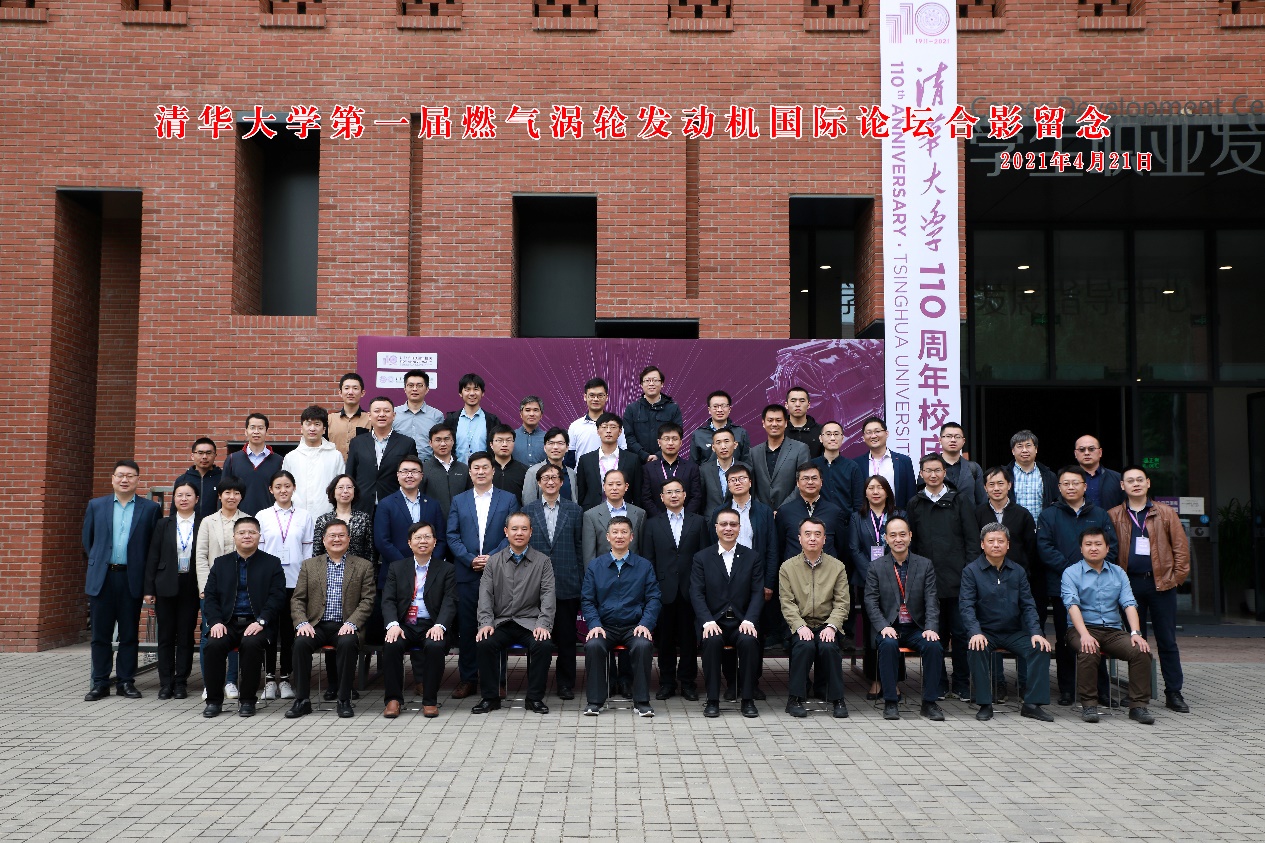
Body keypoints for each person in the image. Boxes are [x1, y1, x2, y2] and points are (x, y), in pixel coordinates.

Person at [1108, 465, 1191, 713]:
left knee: (1167, 640)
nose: (1135, 484)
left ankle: (1173, 692)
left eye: (1139, 480)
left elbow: (1181, 550)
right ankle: (1138, 692)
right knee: (1136, 641)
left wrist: (1175, 579)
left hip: (1161, 585)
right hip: (1130, 585)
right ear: (1122, 486)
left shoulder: (1165, 513)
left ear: (1148, 483)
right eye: (1130, 480)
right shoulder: (1114, 515)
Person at [1037, 465, 1119, 706]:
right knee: (1065, 639)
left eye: (1075, 483)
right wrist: (1073, 572)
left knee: (1096, 636)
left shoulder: (1099, 514)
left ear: (1085, 486)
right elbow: (1044, 548)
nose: (1070, 487)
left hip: (1096, 587)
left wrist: (1090, 571)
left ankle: (1101, 690)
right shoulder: (1049, 515)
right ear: (1059, 487)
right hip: (1062, 587)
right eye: (1066, 484)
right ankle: (1067, 689)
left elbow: (1111, 547)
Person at [82, 459, 162, 701]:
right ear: (113, 478)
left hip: (131, 578)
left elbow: (153, 547)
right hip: (103, 577)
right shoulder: (96, 505)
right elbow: (88, 542)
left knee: (129, 634)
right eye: (120, 475)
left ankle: (126, 681)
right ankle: (100, 683)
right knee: (100, 635)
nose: (124, 480)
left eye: (130, 476)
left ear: (138, 480)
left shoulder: (150, 509)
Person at [959, 523, 1054, 722]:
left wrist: (1036, 632)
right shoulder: (971, 571)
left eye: (1000, 541)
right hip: (985, 632)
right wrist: (975, 632)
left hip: (1013, 632)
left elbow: (1028, 605)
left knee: (1040, 648)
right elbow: (966, 606)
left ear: (1008, 545)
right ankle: (985, 704)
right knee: (976, 647)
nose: (996, 545)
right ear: (982, 544)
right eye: (991, 541)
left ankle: (1031, 704)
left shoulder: (1017, 571)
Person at [1061, 527, 1155, 724]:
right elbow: (1072, 605)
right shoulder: (1071, 573)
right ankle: (1089, 705)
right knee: (1088, 650)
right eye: (1088, 544)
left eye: (1098, 544)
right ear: (1081, 548)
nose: (1093, 548)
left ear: (1107, 548)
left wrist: (1135, 633)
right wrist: (1085, 634)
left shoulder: (1118, 572)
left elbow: (1129, 604)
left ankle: (1138, 706)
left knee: (1141, 651)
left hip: (1113, 631)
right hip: (1081, 629)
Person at [905, 452, 979, 700]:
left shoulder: (959, 500)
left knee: (960, 634)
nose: (933, 475)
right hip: (928, 581)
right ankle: (938, 683)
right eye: (928, 470)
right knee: (934, 634)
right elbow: (913, 543)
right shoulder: (915, 503)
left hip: (959, 579)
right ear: (921, 474)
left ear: (944, 473)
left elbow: (972, 539)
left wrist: (969, 572)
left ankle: (961, 683)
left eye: (938, 470)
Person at [446, 452, 518, 698]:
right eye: (476, 468)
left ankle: (496, 680)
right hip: (467, 573)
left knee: (497, 627)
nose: (480, 472)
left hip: (498, 572)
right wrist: (469, 559)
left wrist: (492, 558)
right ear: (470, 472)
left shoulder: (508, 499)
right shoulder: (459, 500)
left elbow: (511, 534)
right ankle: (468, 679)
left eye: (485, 467)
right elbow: (452, 535)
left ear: (493, 471)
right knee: (467, 629)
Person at [286, 520, 375, 719]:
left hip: (345, 625)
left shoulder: (363, 566)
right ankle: (302, 700)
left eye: (341, 535)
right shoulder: (309, 565)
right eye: (332, 536)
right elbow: (298, 599)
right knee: (300, 643)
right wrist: (301, 622)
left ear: (349, 539)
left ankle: (344, 699)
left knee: (348, 643)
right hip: (315, 624)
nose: (337, 539)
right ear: (324, 540)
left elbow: (368, 600)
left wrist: (352, 623)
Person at [201, 517, 285, 717]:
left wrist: (262, 621)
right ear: (234, 537)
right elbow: (210, 596)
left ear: (259, 536)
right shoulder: (221, 563)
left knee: (251, 644)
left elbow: (277, 596)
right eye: (242, 533)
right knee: (213, 645)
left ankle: (248, 700)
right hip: (227, 623)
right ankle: (213, 701)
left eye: (252, 532)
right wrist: (215, 622)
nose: (247, 536)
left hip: (257, 623)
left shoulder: (272, 563)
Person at [473, 512, 556, 714]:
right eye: (514, 529)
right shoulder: (494, 562)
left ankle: (534, 698)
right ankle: (490, 698)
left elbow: (548, 595)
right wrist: (485, 623)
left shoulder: (543, 561)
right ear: (506, 532)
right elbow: (485, 596)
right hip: (501, 622)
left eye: (524, 529)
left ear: (531, 532)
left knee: (543, 644)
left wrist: (543, 625)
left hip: (529, 622)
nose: (519, 533)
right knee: (485, 642)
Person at [864, 516, 945, 721]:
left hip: (917, 628)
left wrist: (931, 627)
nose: (898, 539)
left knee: (934, 646)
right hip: (890, 627)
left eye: (902, 534)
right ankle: (891, 702)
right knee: (888, 644)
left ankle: (930, 702)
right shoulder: (876, 567)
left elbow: (931, 600)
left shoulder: (924, 565)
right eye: (893, 535)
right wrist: (883, 626)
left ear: (910, 536)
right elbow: (871, 602)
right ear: (886, 539)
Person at [580, 516, 662, 717]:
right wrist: (594, 624)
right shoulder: (596, 566)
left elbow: (654, 598)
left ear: (631, 537)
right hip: (604, 626)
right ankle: (595, 701)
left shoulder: (644, 566)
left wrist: (645, 624)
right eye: (615, 532)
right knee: (593, 645)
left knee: (643, 645)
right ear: (607, 537)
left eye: (624, 532)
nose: (619, 536)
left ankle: (641, 702)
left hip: (634, 626)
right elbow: (587, 600)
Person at [712, 463, 778, 701]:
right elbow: (712, 550)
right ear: (728, 485)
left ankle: (752, 681)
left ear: (750, 482)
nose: (737, 482)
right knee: (728, 629)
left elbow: (772, 549)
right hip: (727, 579)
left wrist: (768, 583)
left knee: (754, 632)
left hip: (755, 579)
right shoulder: (720, 512)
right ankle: (732, 682)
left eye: (742, 478)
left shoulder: (763, 511)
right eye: (732, 480)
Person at [691, 508, 763, 718]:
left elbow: (757, 592)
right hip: (714, 621)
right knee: (712, 641)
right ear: (716, 528)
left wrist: (750, 620)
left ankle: (747, 700)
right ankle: (712, 700)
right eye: (723, 524)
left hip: (742, 621)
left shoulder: (752, 557)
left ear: (740, 528)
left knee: (749, 642)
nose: (728, 528)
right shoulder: (702, 557)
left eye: (733, 524)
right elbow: (696, 593)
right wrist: (707, 621)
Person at [976, 465, 1039, 701]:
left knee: (1021, 630)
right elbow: (974, 545)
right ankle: (997, 683)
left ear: (1009, 485)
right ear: (985, 488)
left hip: (1016, 579)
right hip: (986, 580)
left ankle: (1024, 684)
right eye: (991, 484)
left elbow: (1031, 549)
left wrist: (1023, 572)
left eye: (1000, 483)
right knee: (990, 630)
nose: (996, 488)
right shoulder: (978, 513)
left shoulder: (1022, 514)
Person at [642, 479, 708, 702]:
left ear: (684, 495)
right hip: (663, 590)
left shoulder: (698, 522)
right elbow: (649, 559)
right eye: (668, 492)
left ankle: (688, 683)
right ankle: (667, 682)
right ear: (661, 497)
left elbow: (704, 557)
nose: (673, 495)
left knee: (689, 639)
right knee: (665, 640)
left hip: (691, 589)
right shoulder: (652, 524)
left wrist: (701, 586)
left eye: (677, 491)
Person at [523, 463, 585, 699]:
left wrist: (580, 580)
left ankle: (565, 684)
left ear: (561, 482)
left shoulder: (575, 510)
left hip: (567, 582)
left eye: (554, 478)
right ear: (539, 483)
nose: (550, 482)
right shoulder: (527, 511)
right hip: (535, 584)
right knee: (537, 637)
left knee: (567, 638)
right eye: (545, 478)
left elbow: (579, 547)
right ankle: (536, 683)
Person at [381, 523, 456, 718]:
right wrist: (393, 625)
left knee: (435, 646)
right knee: (391, 645)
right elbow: (388, 600)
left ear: (434, 541)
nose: (423, 541)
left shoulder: (446, 569)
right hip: (404, 624)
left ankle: (430, 700)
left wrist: (440, 625)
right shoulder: (397, 568)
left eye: (427, 537)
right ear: (409, 542)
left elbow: (450, 601)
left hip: (432, 624)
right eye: (418, 537)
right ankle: (393, 700)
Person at [779, 519, 850, 719]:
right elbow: (787, 602)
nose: (812, 538)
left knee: (828, 647)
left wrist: (832, 626)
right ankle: (795, 698)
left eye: (817, 534)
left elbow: (842, 603)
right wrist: (799, 626)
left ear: (824, 539)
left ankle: (837, 699)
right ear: (799, 538)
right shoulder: (787, 567)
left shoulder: (837, 567)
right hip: (800, 624)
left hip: (826, 624)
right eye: (807, 534)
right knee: (804, 646)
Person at [257, 470, 314, 701]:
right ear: (271, 490)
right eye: (278, 486)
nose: (283, 490)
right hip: (269, 584)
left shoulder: (304, 516)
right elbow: (259, 551)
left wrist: (306, 579)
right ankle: (270, 679)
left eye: (287, 486)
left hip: (295, 581)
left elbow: (308, 551)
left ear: (294, 488)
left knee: (290, 633)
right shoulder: (262, 516)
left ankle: (286, 678)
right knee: (269, 631)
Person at [143, 480, 201, 700]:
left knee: (186, 635)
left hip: (191, 584)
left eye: (188, 495)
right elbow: (153, 556)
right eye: (179, 495)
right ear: (174, 499)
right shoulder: (163, 524)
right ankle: (165, 682)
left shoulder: (203, 523)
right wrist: (149, 589)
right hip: (165, 583)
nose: (183, 499)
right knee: (166, 636)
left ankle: (181, 682)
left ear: (196, 499)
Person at [847, 474, 902, 700]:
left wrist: (886, 570)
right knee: (872, 630)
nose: (876, 491)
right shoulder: (857, 517)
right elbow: (854, 548)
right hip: (866, 579)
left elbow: (901, 545)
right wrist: (872, 573)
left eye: (880, 487)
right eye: (871, 488)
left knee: (895, 626)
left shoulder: (898, 516)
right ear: (866, 493)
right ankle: (875, 679)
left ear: (887, 491)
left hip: (895, 578)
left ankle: (894, 681)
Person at [194, 479, 248, 702]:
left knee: (235, 634)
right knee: (210, 635)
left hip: (239, 590)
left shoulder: (247, 521)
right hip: (213, 589)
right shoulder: (208, 522)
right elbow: (201, 556)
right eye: (227, 492)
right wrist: (205, 587)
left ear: (241, 496)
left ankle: (231, 681)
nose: (231, 496)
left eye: (236, 492)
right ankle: (210, 683)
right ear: (220, 496)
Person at [373, 456, 447, 582]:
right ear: (398, 475)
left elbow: (440, 539)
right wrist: (407, 566)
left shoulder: (433, 505)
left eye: (414, 471)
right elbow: (382, 542)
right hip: (395, 573)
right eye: (405, 471)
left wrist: (429, 565)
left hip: (429, 574)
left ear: (421, 476)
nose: (409, 475)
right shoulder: (386, 504)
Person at [346, 397, 420, 514]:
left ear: (394, 415)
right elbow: (350, 475)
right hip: (362, 506)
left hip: (396, 506)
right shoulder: (357, 442)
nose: (381, 414)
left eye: (386, 411)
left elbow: (413, 476)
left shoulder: (407, 443)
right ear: (369, 415)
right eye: (377, 411)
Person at [283, 405, 345, 518]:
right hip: (296, 516)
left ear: (324, 429)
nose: (312, 428)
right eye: (308, 424)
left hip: (328, 516)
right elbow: (285, 488)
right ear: (301, 428)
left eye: (317, 424)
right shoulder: (291, 457)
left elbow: (341, 488)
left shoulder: (335, 456)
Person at [775, 463, 847, 560]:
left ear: (821, 482)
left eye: (814, 478)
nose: (810, 482)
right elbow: (780, 547)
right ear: (797, 483)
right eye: (805, 478)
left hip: (827, 568)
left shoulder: (835, 512)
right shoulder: (785, 512)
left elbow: (841, 548)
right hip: (794, 567)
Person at [220, 413, 284, 515]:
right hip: (239, 518)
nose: (256, 432)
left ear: (266, 431)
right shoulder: (233, 459)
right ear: (246, 431)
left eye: (260, 428)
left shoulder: (278, 461)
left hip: (270, 518)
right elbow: (223, 491)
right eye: (252, 428)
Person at [576, 413, 641, 510]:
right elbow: (581, 492)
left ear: (620, 431)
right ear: (598, 431)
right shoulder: (585, 460)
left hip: (623, 512)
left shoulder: (632, 459)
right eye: (604, 427)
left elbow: (637, 492)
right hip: (593, 512)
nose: (608, 431)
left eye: (613, 427)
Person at [751, 405, 811, 509]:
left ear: (786, 423)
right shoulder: (753, 452)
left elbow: (803, 482)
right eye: (770, 420)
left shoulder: (800, 449)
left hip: (791, 511)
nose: (774, 424)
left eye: (778, 420)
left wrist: (783, 509)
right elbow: (751, 485)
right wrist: (762, 510)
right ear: (763, 423)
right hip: (761, 513)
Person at [623, 365, 684, 464]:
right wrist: (644, 455)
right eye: (647, 380)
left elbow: (677, 434)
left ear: (662, 383)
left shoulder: (673, 408)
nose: (651, 384)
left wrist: (658, 455)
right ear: (641, 384)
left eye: (655, 380)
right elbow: (628, 437)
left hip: (665, 461)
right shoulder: (632, 409)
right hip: (637, 462)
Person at [582, 469, 647, 561]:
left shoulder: (640, 514)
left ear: (626, 487)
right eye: (610, 484)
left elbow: (642, 549)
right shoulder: (591, 515)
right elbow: (589, 554)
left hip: (633, 567)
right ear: (604, 487)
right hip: (603, 568)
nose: (614, 488)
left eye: (619, 484)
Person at [640, 422, 702, 517]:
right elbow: (646, 498)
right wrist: (661, 519)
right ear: (659, 442)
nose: (670, 443)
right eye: (666, 439)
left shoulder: (691, 467)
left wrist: (684, 517)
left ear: (681, 442)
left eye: (674, 439)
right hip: (657, 520)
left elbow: (696, 497)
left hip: (685, 520)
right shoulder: (648, 468)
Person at [854, 416, 917, 508]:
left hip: (897, 514)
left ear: (886, 433)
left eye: (877, 431)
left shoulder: (904, 461)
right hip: (867, 515)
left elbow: (911, 494)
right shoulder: (857, 464)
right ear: (863, 437)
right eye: (869, 432)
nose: (873, 436)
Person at [313, 474, 373, 560]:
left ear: (354, 492)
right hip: (329, 567)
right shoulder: (323, 520)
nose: (345, 491)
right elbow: (317, 553)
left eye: (349, 487)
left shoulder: (363, 519)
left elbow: (370, 552)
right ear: (333, 492)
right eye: (340, 487)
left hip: (358, 567)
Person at [445, 373, 501, 464]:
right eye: (467, 389)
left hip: (484, 470)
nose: (472, 393)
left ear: (483, 393)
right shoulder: (451, 420)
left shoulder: (492, 420)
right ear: (460, 393)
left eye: (476, 389)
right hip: (457, 470)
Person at [568, 377, 627, 463]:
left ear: (606, 397)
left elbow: (623, 452)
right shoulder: (575, 426)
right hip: (582, 471)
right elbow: (570, 457)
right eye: (592, 395)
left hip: (611, 471)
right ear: (585, 397)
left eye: (600, 395)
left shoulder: (615, 425)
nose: (596, 399)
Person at [421, 423, 471, 520]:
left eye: (447, 439)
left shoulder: (464, 469)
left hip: (461, 522)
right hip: (433, 523)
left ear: (453, 441)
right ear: (430, 443)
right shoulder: (423, 470)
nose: (443, 444)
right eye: (438, 440)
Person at [813, 421, 864, 514]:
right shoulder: (812, 466)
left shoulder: (852, 467)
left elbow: (858, 501)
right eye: (828, 434)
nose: (832, 438)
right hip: (817, 519)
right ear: (820, 438)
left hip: (846, 520)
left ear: (842, 438)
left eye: (836, 434)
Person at [1007, 429, 1058, 521]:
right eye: (1020, 446)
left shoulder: (1049, 476)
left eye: (1028, 445)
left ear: (1036, 449)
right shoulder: (1004, 475)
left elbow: (1056, 503)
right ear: (1013, 451)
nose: (1024, 450)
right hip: (1012, 527)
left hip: (1042, 527)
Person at [394, 370, 444, 461]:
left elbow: (441, 443)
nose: (414, 389)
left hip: (428, 465)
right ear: (405, 389)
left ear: (427, 389)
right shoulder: (393, 413)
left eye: (419, 385)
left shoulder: (436, 415)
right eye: (410, 385)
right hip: (399, 465)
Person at [691, 390, 751, 465]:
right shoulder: (698, 435)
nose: (719, 410)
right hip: (707, 473)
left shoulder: (740, 433)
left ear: (729, 409)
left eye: (723, 406)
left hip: (734, 472)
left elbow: (747, 462)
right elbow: (693, 465)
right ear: (709, 410)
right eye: (715, 406)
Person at [699, 428, 749, 516]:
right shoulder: (704, 470)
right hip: (712, 520)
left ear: (735, 445)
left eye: (726, 441)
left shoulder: (746, 469)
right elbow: (701, 499)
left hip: (740, 518)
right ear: (713, 447)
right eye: (718, 442)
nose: (723, 446)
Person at [522, 427, 578, 505]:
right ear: (545, 447)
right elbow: (529, 504)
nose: (555, 447)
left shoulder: (571, 474)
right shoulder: (533, 472)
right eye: (551, 443)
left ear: (567, 448)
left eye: (560, 443)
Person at [172, 437, 222, 520]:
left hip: (215, 524)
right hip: (189, 524)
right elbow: (174, 508)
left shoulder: (222, 478)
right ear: (192, 456)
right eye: (200, 453)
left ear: (215, 455)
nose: (204, 457)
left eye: (208, 453)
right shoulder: (182, 480)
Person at [938, 422, 985, 509]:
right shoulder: (930, 468)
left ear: (963, 441)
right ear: (940, 440)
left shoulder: (973, 468)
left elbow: (982, 502)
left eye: (957, 437)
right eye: (948, 436)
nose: (953, 440)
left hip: (968, 517)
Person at [328, 372, 372, 461]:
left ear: (362, 393)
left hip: (360, 467)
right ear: (340, 392)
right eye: (346, 388)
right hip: (334, 467)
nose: (350, 392)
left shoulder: (370, 419)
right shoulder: (329, 419)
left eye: (355, 388)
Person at [1075, 435, 1124, 511]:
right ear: (1075, 454)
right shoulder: (1066, 480)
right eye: (1082, 450)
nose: (1087, 453)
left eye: (1091, 449)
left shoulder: (1117, 478)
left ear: (1100, 452)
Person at [489, 424, 529, 505]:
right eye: (499, 440)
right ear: (491, 445)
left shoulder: (525, 471)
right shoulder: (485, 470)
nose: (504, 444)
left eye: (508, 440)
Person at [784, 386, 823, 458]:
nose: (797, 404)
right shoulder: (779, 430)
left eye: (802, 401)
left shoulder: (821, 431)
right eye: (793, 401)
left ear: (808, 405)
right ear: (786, 405)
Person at [513, 395, 547, 467]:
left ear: (541, 415)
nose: (531, 414)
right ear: (521, 414)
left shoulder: (548, 438)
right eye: (527, 410)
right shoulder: (511, 437)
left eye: (535, 410)